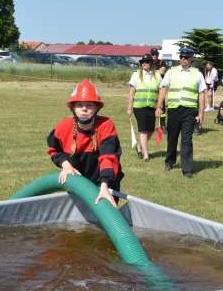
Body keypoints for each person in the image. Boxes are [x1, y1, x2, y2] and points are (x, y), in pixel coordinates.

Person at [48, 79, 123, 207]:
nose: (84, 109)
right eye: (79, 105)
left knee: (103, 218)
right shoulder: (64, 127)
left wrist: (104, 185)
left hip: (104, 181)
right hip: (77, 183)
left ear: (96, 108)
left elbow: (108, 157)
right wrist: (65, 165)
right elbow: (53, 150)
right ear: (73, 108)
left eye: (89, 105)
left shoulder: (106, 125)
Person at [156, 46, 207, 178]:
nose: (183, 59)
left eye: (186, 57)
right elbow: (163, 88)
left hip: (190, 111)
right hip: (173, 109)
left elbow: (201, 94)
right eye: (181, 57)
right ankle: (170, 161)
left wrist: (201, 113)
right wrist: (159, 106)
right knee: (172, 137)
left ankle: (187, 169)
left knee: (186, 140)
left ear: (191, 58)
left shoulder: (197, 74)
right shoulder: (171, 71)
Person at [126, 55, 161, 161]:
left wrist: (160, 107)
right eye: (143, 62)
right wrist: (129, 107)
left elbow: (160, 92)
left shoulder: (157, 75)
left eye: (147, 61)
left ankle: (140, 146)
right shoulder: (135, 75)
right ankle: (146, 154)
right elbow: (131, 93)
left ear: (151, 63)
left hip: (152, 107)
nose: (144, 63)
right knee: (143, 130)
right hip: (139, 107)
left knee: (150, 130)